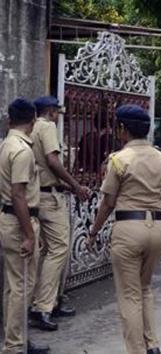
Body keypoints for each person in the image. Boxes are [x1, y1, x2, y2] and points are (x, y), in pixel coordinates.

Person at [86, 104, 161, 354]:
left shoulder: (118, 160)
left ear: (123, 129)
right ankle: (152, 345)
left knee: (129, 295)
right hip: (157, 227)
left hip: (128, 229)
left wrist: (93, 231)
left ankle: (136, 350)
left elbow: (107, 203)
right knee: (145, 288)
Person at [28, 96, 90, 331]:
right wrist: (75, 185)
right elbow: (53, 161)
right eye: (57, 112)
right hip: (50, 197)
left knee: (46, 252)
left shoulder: (31, 128)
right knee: (59, 250)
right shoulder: (47, 126)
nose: (58, 116)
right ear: (52, 111)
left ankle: (45, 300)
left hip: (36, 195)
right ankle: (43, 306)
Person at [0, 98, 50, 354]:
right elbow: (18, 194)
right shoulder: (22, 150)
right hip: (20, 221)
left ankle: (16, 339)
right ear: (32, 121)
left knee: (14, 286)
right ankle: (15, 346)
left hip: (11, 220)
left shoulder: (6, 144)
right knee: (22, 287)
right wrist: (30, 235)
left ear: (11, 120)